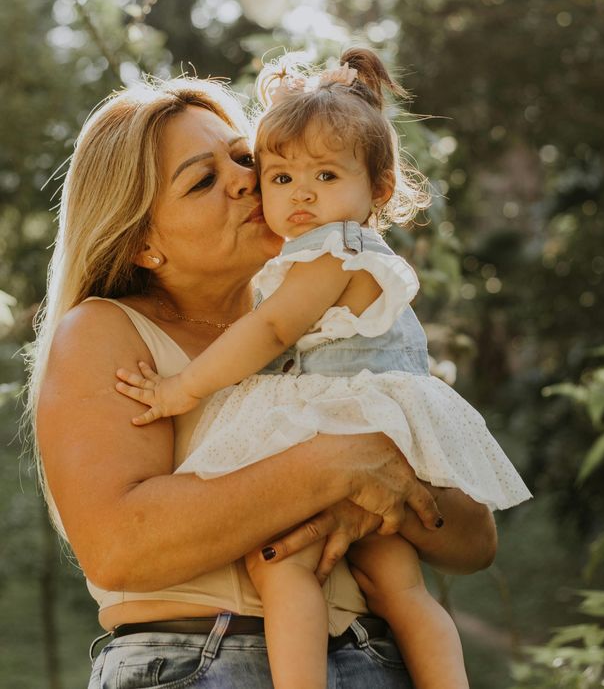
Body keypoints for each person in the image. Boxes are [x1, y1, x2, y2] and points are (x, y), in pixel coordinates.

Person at [28, 71, 498, 689]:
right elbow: (119, 545)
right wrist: (337, 467)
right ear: (143, 242)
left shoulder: (325, 327)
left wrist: (380, 493)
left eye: (244, 158)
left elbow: (473, 541)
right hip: (199, 663)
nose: (246, 180)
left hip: (375, 662)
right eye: (204, 179)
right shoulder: (105, 331)